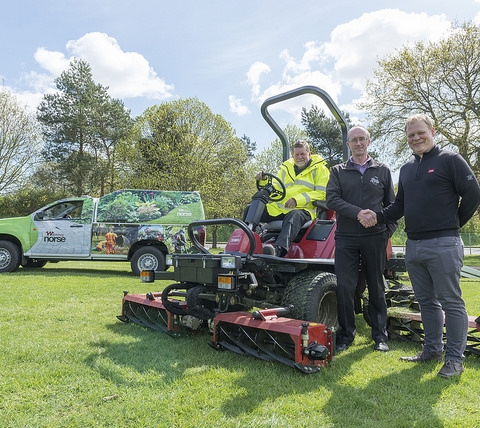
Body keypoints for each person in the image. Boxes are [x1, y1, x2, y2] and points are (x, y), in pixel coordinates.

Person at [361, 113, 480, 377]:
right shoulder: (405, 169)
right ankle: (431, 350)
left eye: (420, 133)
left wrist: (454, 223)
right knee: (427, 301)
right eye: (411, 135)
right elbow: (400, 206)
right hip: (414, 246)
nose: (416, 138)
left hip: (444, 243)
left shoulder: (450, 160)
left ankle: (454, 360)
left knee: (452, 302)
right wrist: (376, 216)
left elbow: (473, 193)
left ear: (432, 131)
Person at [326, 126, 397, 353]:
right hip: (346, 237)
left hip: (375, 238)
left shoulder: (383, 170)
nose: (358, 143)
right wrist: (358, 212)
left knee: (376, 286)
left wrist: (386, 233)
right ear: (348, 145)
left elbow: (393, 207)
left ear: (368, 141)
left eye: (361, 139)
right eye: (353, 140)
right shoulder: (338, 171)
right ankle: (346, 334)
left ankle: (380, 336)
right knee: (345, 286)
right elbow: (332, 200)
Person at [257, 140, 330, 257]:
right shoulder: (285, 169)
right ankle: (247, 244)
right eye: (297, 154)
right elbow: (274, 189)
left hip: (304, 210)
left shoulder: (320, 170)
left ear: (309, 154)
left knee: (294, 215)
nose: (299, 157)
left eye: (302, 154)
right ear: (293, 155)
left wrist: (297, 200)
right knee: (254, 209)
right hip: (280, 209)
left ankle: (278, 250)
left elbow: (322, 193)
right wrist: (264, 180)